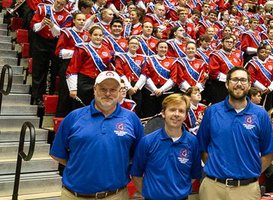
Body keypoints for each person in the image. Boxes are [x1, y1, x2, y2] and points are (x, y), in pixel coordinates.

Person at [50, 71, 144, 199]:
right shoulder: (73, 117)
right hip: (73, 196)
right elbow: (58, 154)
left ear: (120, 91)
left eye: (113, 89)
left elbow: (137, 156)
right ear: (94, 89)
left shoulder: (132, 119)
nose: (107, 94)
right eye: (103, 89)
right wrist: (83, 164)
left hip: (115, 195)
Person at [197, 67, 273, 200]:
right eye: (234, 79)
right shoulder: (212, 111)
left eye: (243, 80)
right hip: (213, 188)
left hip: (247, 189)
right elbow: (202, 147)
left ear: (249, 85)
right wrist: (216, 168)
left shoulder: (260, 114)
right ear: (227, 84)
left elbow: (268, 152)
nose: (239, 84)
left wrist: (251, 172)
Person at [131, 93, 203, 199]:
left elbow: (194, 174)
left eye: (181, 111)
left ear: (185, 115)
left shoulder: (193, 142)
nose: (176, 114)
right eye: (172, 110)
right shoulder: (147, 141)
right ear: (163, 113)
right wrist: (149, 193)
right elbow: (136, 174)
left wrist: (178, 190)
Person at [29, 0, 72, 105]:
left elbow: (61, 34)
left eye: (62, 4)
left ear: (66, 5)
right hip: (40, 41)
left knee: (53, 71)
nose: (59, 5)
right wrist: (42, 23)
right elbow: (34, 27)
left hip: (55, 44)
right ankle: (36, 96)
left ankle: (48, 96)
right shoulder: (43, 8)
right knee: (38, 69)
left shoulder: (68, 16)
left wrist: (52, 26)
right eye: (58, 2)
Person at [66, 26, 115, 106]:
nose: (98, 37)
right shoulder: (82, 49)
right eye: (95, 35)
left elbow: (108, 70)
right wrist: (73, 88)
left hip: (99, 83)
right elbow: (73, 68)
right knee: (81, 107)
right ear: (90, 35)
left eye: (100, 35)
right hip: (84, 81)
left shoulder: (106, 50)